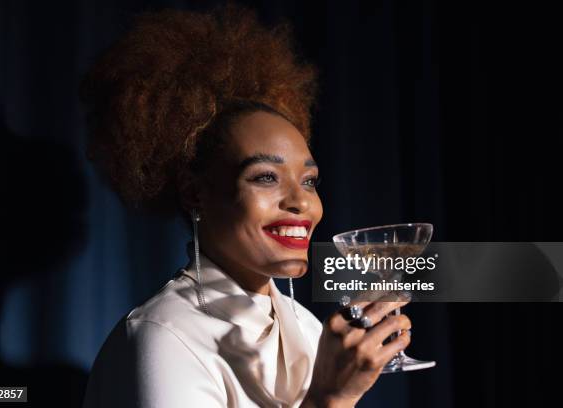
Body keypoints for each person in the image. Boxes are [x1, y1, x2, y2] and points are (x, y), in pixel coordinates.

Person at [80, 3, 411, 407]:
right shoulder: (163, 337)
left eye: (309, 181)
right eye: (265, 177)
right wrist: (330, 397)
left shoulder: (307, 329)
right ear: (194, 193)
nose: (300, 202)